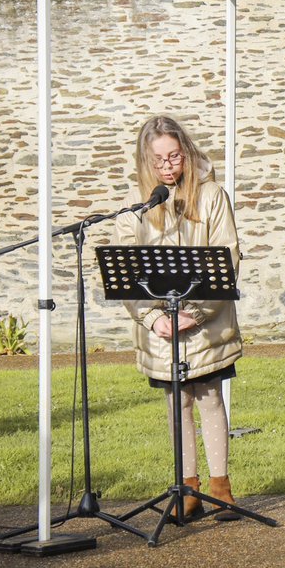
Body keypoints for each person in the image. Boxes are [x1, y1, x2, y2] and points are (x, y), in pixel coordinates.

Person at [115, 115, 242, 519]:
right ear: (145, 161)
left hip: (205, 323)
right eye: (158, 159)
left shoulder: (212, 195)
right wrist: (154, 319)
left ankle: (221, 488)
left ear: (186, 152)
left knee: (209, 398)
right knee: (178, 404)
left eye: (174, 156)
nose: (168, 166)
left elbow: (228, 256)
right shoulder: (137, 207)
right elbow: (126, 274)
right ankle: (188, 491)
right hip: (161, 327)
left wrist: (196, 313)